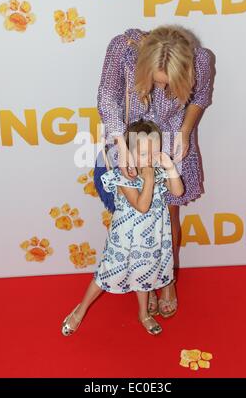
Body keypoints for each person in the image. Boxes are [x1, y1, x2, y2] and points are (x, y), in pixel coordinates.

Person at [96, 25, 213, 317]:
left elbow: (199, 99)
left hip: (171, 140)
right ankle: (143, 282)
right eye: (156, 82)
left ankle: (168, 279)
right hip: (130, 140)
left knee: (169, 214)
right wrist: (121, 145)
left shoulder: (200, 59)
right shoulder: (122, 49)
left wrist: (185, 131)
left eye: (169, 85)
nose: (161, 89)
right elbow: (107, 96)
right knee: (134, 213)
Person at [61, 119, 184, 336]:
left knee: (144, 275)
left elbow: (178, 192)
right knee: (105, 275)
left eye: (155, 152)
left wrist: (170, 168)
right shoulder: (123, 177)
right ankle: (79, 312)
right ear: (129, 153)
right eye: (144, 154)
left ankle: (144, 314)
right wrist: (148, 179)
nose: (151, 159)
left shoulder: (157, 171)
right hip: (124, 242)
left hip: (151, 240)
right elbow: (142, 206)